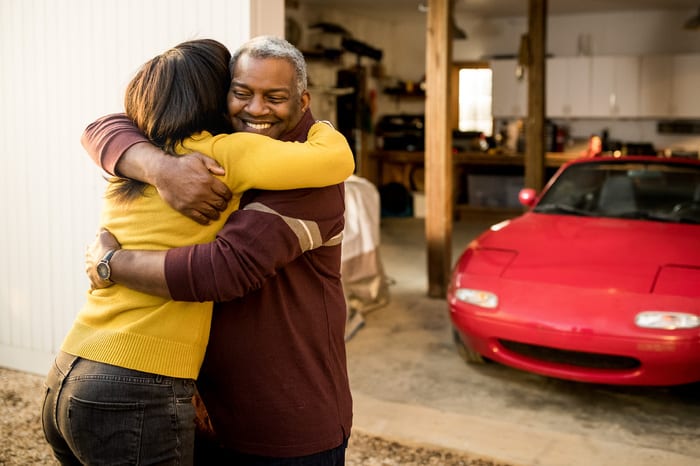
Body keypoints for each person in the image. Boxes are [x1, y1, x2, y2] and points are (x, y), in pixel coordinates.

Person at [42, 38, 354, 466]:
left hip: (286, 424)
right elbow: (102, 126)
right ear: (218, 96)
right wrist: (161, 168)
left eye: (275, 98)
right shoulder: (213, 151)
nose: (256, 109)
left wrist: (110, 263)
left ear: (302, 101)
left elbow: (224, 270)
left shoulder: (303, 179)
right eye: (241, 92)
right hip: (193, 405)